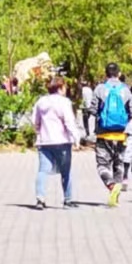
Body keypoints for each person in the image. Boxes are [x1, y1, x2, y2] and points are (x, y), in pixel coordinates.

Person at [31, 77, 81, 209]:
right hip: (62, 141)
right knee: (66, 171)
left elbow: (34, 120)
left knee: (43, 170)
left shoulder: (41, 101)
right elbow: (69, 122)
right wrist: (76, 138)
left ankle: (40, 199)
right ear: (60, 88)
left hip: (44, 141)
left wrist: (38, 132)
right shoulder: (64, 102)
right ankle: (67, 200)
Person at [91, 63, 132, 207]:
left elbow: (92, 109)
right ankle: (116, 197)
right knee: (119, 165)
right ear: (119, 73)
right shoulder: (126, 90)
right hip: (121, 135)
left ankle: (110, 185)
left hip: (103, 134)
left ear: (105, 73)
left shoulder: (100, 89)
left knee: (102, 165)